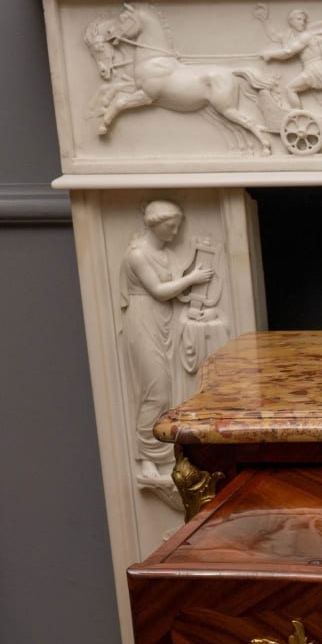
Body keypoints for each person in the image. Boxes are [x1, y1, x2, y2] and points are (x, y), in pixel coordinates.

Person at [119, 201, 213, 485]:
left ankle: (167, 454)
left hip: (164, 321)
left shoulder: (162, 253)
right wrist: (193, 278)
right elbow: (160, 291)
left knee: (170, 390)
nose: (175, 232)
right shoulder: (137, 254)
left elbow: (171, 294)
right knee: (154, 391)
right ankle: (147, 457)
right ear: (156, 224)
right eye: (171, 227)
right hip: (143, 320)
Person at [257, 7, 322, 131]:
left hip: (314, 68)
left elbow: (289, 52)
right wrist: (264, 21)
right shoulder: (291, 36)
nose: (302, 22)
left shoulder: (305, 36)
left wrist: (270, 54)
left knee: (290, 88)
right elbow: (275, 36)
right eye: (299, 19)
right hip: (314, 68)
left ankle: (299, 120)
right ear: (291, 21)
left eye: (303, 20)